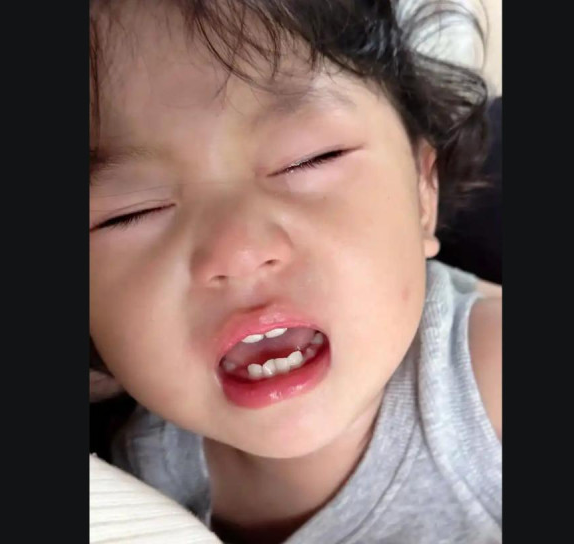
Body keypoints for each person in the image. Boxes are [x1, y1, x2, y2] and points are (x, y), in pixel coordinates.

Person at [89, 1, 502, 542]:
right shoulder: (139, 467)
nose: (238, 251)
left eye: (309, 159)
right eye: (133, 211)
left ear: (424, 192)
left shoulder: (488, 389)